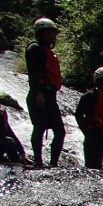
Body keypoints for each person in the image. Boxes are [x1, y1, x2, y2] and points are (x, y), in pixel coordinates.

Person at [26, 17, 65, 168]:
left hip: (50, 96)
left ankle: (54, 163)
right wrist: (39, 94)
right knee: (40, 127)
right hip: (39, 94)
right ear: (40, 33)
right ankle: (38, 160)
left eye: (53, 33)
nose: (52, 36)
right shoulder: (34, 49)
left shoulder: (48, 51)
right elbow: (34, 74)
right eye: (49, 33)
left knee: (60, 132)